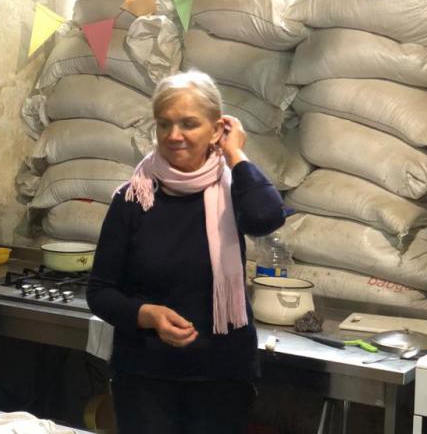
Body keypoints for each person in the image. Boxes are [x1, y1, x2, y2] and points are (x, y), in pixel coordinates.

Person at [86, 70, 285, 434]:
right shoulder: (134, 197)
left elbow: (266, 217)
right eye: (165, 125)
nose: (174, 136)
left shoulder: (233, 190)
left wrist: (236, 152)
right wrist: (147, 315)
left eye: (189, 124)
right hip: (145, 375)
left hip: (222, 376)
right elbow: (99, 292)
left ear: (215, 130)